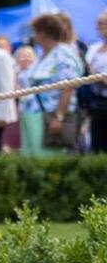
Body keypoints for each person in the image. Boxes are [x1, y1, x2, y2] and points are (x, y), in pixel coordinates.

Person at [19, 13, 83, 156]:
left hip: (49, 117)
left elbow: (68, 87)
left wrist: (59, 117)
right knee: (30, 160)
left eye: (35, 32)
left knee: (47, 161)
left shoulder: (63, 54)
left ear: (44, 33)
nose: (33, 36)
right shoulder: (42, 55)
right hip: (32, 116)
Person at [87, 11, 107, 154]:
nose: (98, 27)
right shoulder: (93, 49)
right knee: (96, 146)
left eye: (102, 23)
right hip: (96, 103)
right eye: (98, 23)